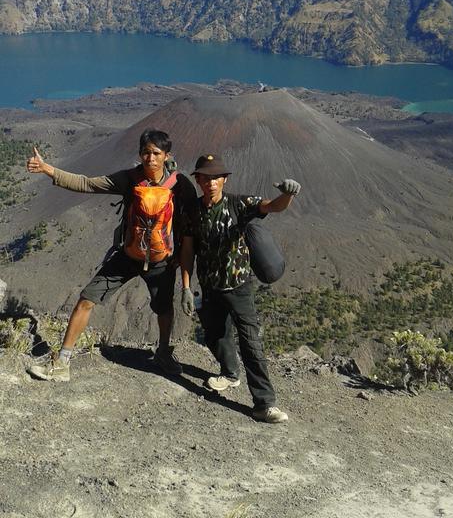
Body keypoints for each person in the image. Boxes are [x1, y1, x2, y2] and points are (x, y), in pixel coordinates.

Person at [26, 129, 196, 382]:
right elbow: (87, 183)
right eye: (146, 153)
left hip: (162, 260)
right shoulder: (129, 179)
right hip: (128, 255)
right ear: (140, 155)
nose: (150, 158)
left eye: (156, 153)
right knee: (87, 299)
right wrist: (48, 169)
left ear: (167, 155)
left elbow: (191, 229)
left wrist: (186, 283)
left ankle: (162, 352)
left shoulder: (181, 185)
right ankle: (62, 362)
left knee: (164, 310)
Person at [180, 154, 301, 424]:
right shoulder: (192, 211)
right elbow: (187, 250)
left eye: (216, 177)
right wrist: (186, 287)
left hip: (239, 287)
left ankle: (264, 404)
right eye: (206, 178)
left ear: (224, 179)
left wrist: (288, 194)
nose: (211, 182)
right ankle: (230, 374)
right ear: (198, 180)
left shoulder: (239, 204)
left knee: (251, 343)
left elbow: (271, 206)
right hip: (210, 287)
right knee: (215, 335)